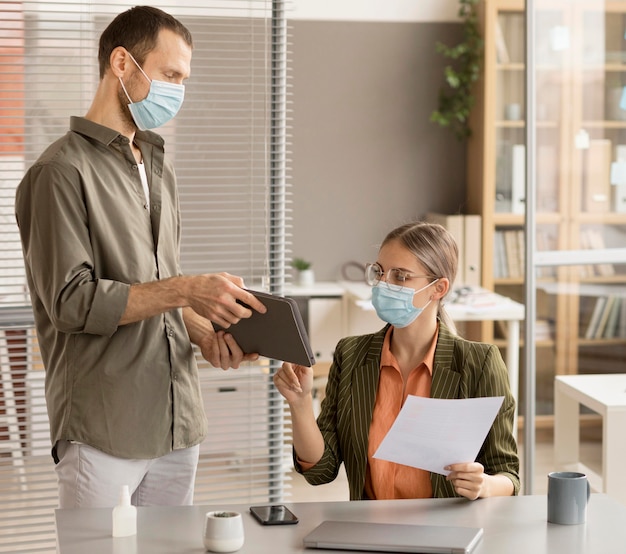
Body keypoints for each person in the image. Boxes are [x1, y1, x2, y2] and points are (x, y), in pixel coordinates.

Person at [14, 6, 266, 509]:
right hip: (104, 429)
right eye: (170, 74)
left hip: (178, 423)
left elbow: (154, 286)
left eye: (184, 78)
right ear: (122, 64)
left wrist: (204, 333)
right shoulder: (58, 173)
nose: (178, 89)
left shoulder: (156, 166)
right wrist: (187, 288)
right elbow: (72, 302)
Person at [274, 221, 520, 501]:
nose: (383, 284)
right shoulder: (351, 354)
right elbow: (321, 470)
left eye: (400, 276)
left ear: (438, 288)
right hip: (371, 529)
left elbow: (508, 473)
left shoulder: (480, 363)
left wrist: (485, 485)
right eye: (379, 272)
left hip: (447, 529)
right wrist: (300, 402)